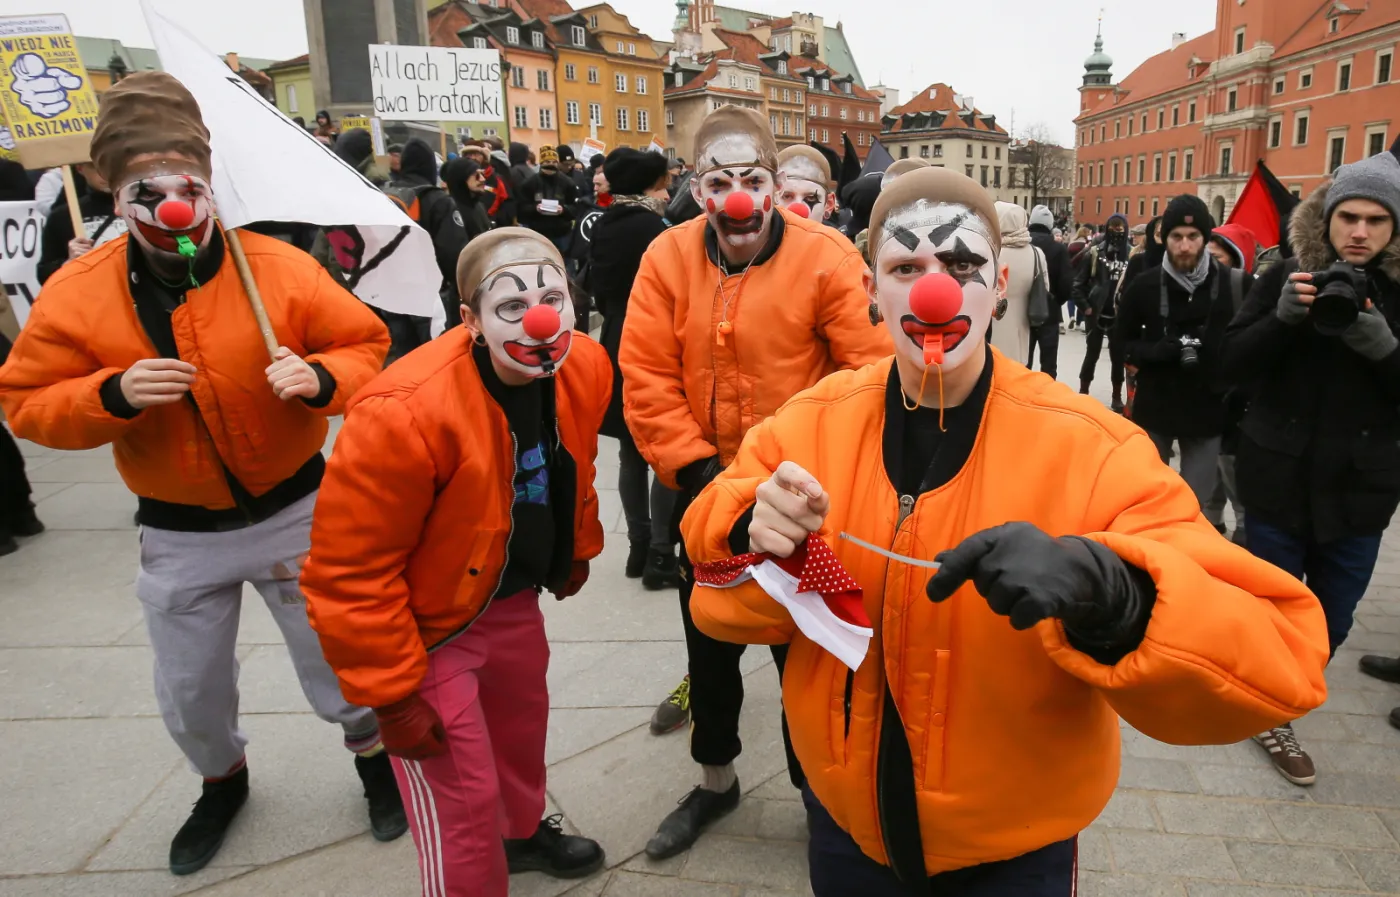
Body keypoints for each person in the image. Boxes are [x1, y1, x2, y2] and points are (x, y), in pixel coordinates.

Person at [682, 165, 1329, 896]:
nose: (937, 289)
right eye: (906, 266)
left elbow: (1278, 659)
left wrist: (1112, 590)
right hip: (845, 836)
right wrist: (753, 528)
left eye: (962, 265)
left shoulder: (1094, 448)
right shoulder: (811, 421)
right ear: (870, 291)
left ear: (1000, 285)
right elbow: (709, 560)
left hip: (1016, 856)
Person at [0, 72, 403, 874]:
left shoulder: (276, 268)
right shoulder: (78, 293)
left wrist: (320, 379)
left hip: (297, 509)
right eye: (149, 187)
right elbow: (25, 401)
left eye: (188, 182)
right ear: (116, 193)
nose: (174, 203)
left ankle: (375, 763)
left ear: (209, 182)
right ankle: (222, 781)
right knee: (192, 689)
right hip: (180, 528)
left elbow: (366, 346)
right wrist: (110, 393)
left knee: (343, 659)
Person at [302, 228, 610, 897]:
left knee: (520, 744)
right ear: (468, 319)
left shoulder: (583, 364)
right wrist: (389, 691)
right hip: (427, 628)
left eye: (554, 295)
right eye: (511, 306)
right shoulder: (402, 412)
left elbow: (572, 464)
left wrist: (573, 548)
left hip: (511, 600)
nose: (540, 316)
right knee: (460, 805)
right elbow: (348, 569)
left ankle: (522, 834)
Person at [621, 105, 891, 858]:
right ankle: (715, 779)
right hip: (705, 495)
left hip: (799, 498)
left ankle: (819, 795)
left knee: (805, 657)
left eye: (752, 180)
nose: (737, 196)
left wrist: (801, 474)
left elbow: (867, 374)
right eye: (719, 181)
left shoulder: (829, 257)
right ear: (695, 189)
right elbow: (644, 374)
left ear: (774, 186)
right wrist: (703, 474)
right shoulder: (665, 259)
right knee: (708, 643)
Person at [1223, 149, 1400, 784]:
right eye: (1347, 216)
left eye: (1376, 221)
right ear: (1325, 220)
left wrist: (1386, 349)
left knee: (1333, 616)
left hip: (1361, 491)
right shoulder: (1284, 277)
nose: (1359, 232)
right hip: (1278, 479)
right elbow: (1232, 365)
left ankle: (1289, 690)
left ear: (1394, 228)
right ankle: (1271, 712)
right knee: (1269, 603)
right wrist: (1281, 321)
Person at [1116, 195, 1252, 505]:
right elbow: (1121, 342)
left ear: (1206, 238)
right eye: (1176, 237)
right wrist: (1154, 352)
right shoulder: (1145, 285)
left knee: (1195, 507)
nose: (1185, 246)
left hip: (1208, 411)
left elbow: (1251, 346)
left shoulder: (1235, 285)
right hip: (1155, 407)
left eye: (1193, 237)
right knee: (1147, 499)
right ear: (1166, 239)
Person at [589, 148, 679, 593]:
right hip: (654, 339)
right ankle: (662, 550)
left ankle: (637, 546)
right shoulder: (654, 228)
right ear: (649, 186)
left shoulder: (604, 223)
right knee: (664, 450)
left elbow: (592, 285)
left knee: (629, 452)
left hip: (615, 339)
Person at [1201, 221, 1258, 543]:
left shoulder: (1246, 293)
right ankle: (1212, 548)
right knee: (1210, 493)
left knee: (1241, 493)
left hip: (1238, 411)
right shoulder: (1195, 292)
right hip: (1208, 410)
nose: (1208, 264)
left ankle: (1245, 553)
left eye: (1218, 258)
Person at [388, 138, 471, 325]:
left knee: (403, 350)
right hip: (429, 293)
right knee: (434, 348)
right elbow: (452, 252)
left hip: (390, 290)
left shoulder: (386, 194)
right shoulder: (437, 200)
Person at [36, 162, 128, 284]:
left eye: (111, 163)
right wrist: (69, 263)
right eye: (95, 167)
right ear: (80, 169)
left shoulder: (145, 206)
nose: (105, 173)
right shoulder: (63, 215)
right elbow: (44, 275)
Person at [1075, 212, 1131, 410]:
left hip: (1119, 315)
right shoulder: (1095, 253)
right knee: (1092, 354)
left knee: (1118, 357)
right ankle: (1083, 393)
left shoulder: (1131, 255)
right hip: (1096, 312)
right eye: (1113, 228)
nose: (1116, 232)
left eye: (1120, 229)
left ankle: (1117, 396)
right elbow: (1078, 283)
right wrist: (1087, 308)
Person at [1027, 204, 1072, 380]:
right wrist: (1056, 300)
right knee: (1048, 362)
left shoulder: (1023, 244)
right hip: (1050, 311)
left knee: (1024, 360)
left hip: (1023, 311)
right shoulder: (1059, 249)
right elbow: (1067, 283)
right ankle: (1046, 399)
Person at [992, 201, 1036, 362]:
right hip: (1022, 325)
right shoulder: (1037, 254)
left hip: (991, 324)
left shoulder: (990, 252)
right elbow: (1045, 288)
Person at [516, 145, 579, 254]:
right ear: (541, 163)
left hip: (562, 234)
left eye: (554, 162)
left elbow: (575, 209)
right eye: (547, 162)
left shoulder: (568, 183)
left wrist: (563, 210)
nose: (551, 165)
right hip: (538, 234)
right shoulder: (529, 183)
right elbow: (521, 209)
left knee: (565, 265)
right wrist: (535, 209)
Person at [774, 145, 836, 226]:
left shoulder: (839, 239)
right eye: (786, 196)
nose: (798, 211)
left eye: (810, 198)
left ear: (828, 204)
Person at [439, 155, 494, 241]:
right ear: (461, 178)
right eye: (476, 175)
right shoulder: (450, 211)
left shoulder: (479, 206)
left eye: (482, 174)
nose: (482, 179)